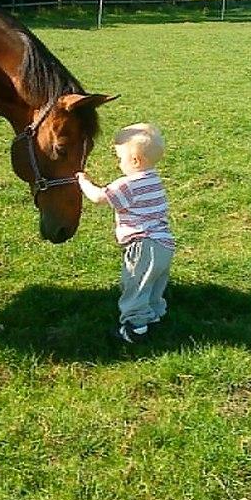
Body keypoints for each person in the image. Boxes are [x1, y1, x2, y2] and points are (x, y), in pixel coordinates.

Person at [77, 123, 175, 344]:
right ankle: (155, 315)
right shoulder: (154, 179)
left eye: (120, 157)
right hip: (164, 244)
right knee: (153, 284)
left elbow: (99, 198)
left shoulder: (129, 184)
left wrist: (83, 182)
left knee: (135, 284)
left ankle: (135, 328)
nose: (117, 162)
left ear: (135, 161)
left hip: (142, 244)